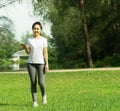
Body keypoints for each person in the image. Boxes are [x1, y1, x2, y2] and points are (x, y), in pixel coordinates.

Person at [22, 21, 49, 107]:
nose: (36, 30)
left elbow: (45, 53)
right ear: (32, 29)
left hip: (41, 63)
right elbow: (28, 52)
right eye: (34, 28)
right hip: (31, 63)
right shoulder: (29, 39)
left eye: (37, 29)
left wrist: (47, 64)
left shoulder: (44, 39)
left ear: (40, 30)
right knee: (33, 82)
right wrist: (26, 48)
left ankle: (44, 95)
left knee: (41, 82)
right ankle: (35, 102)